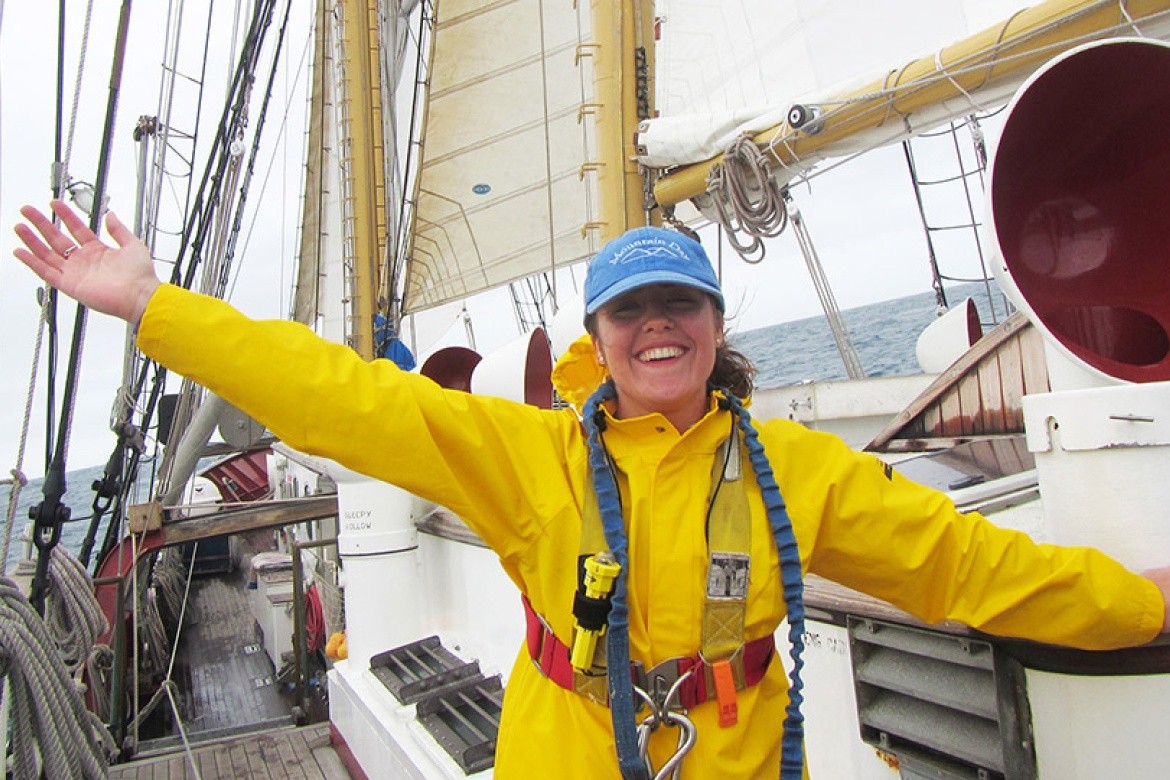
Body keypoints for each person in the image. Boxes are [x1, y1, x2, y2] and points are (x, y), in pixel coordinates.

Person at [13, 201, 1170, 779]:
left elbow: (973, 568)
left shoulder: (799, 472)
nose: (657, 326)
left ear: (717, 328)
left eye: (681, 306)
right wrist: (154, 307)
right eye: (631, 311)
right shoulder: (536, 460)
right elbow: (337, 397)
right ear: (601, 337)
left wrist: (1145, 606)